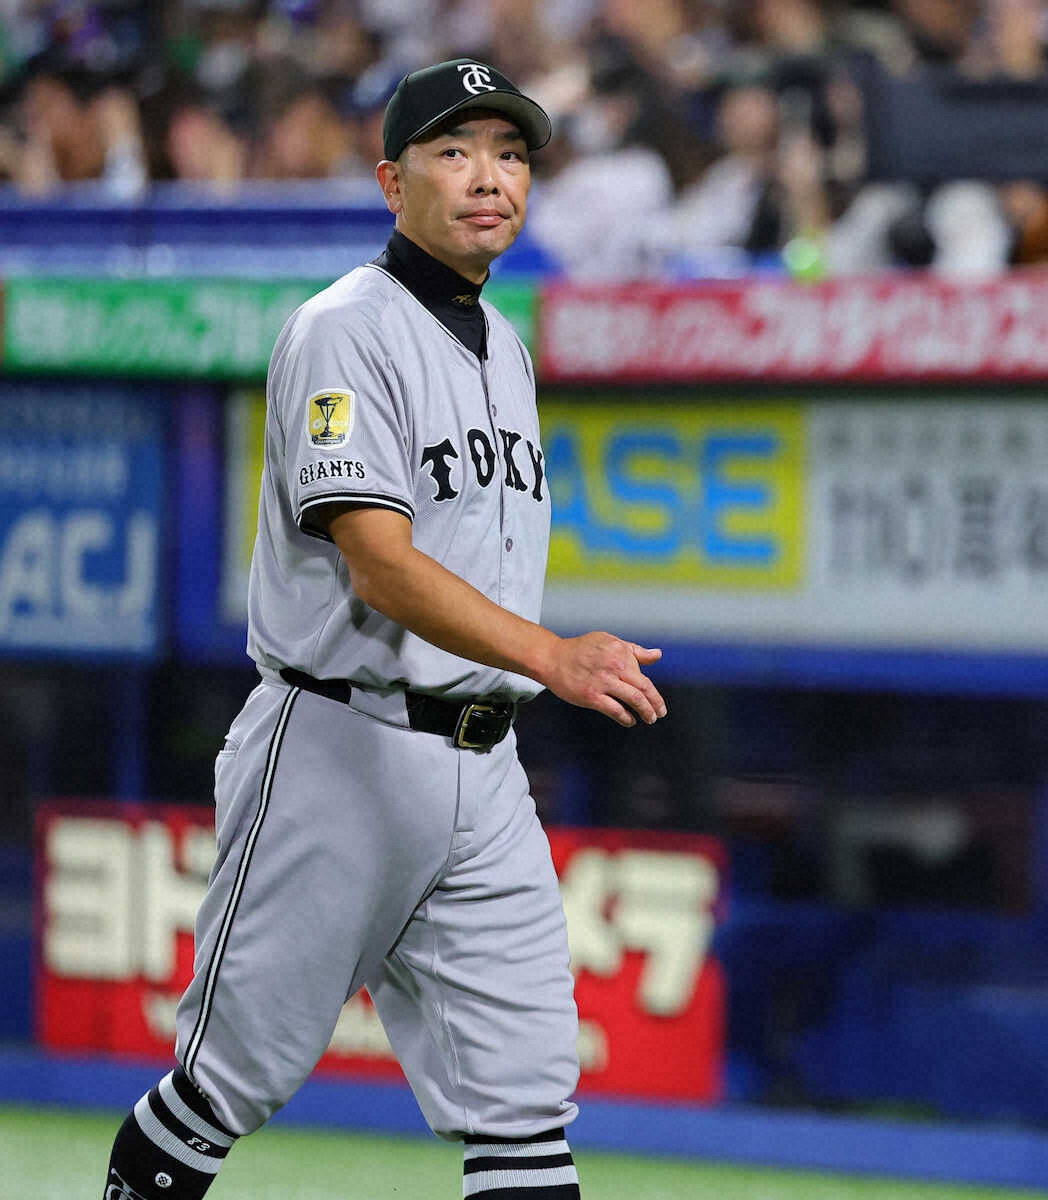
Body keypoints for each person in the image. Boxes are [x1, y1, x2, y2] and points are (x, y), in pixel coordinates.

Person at [101, 57, 666, 1200]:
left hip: (482, 767)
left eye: (509, 154)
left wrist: (528, 672)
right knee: (220, 1088)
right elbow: (379, 561)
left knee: (526, 1116)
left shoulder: (504, 344)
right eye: (454, 152)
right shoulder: (343, 330)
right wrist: (551, 656)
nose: (489, 178)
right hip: (337, 747)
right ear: (391, 182)